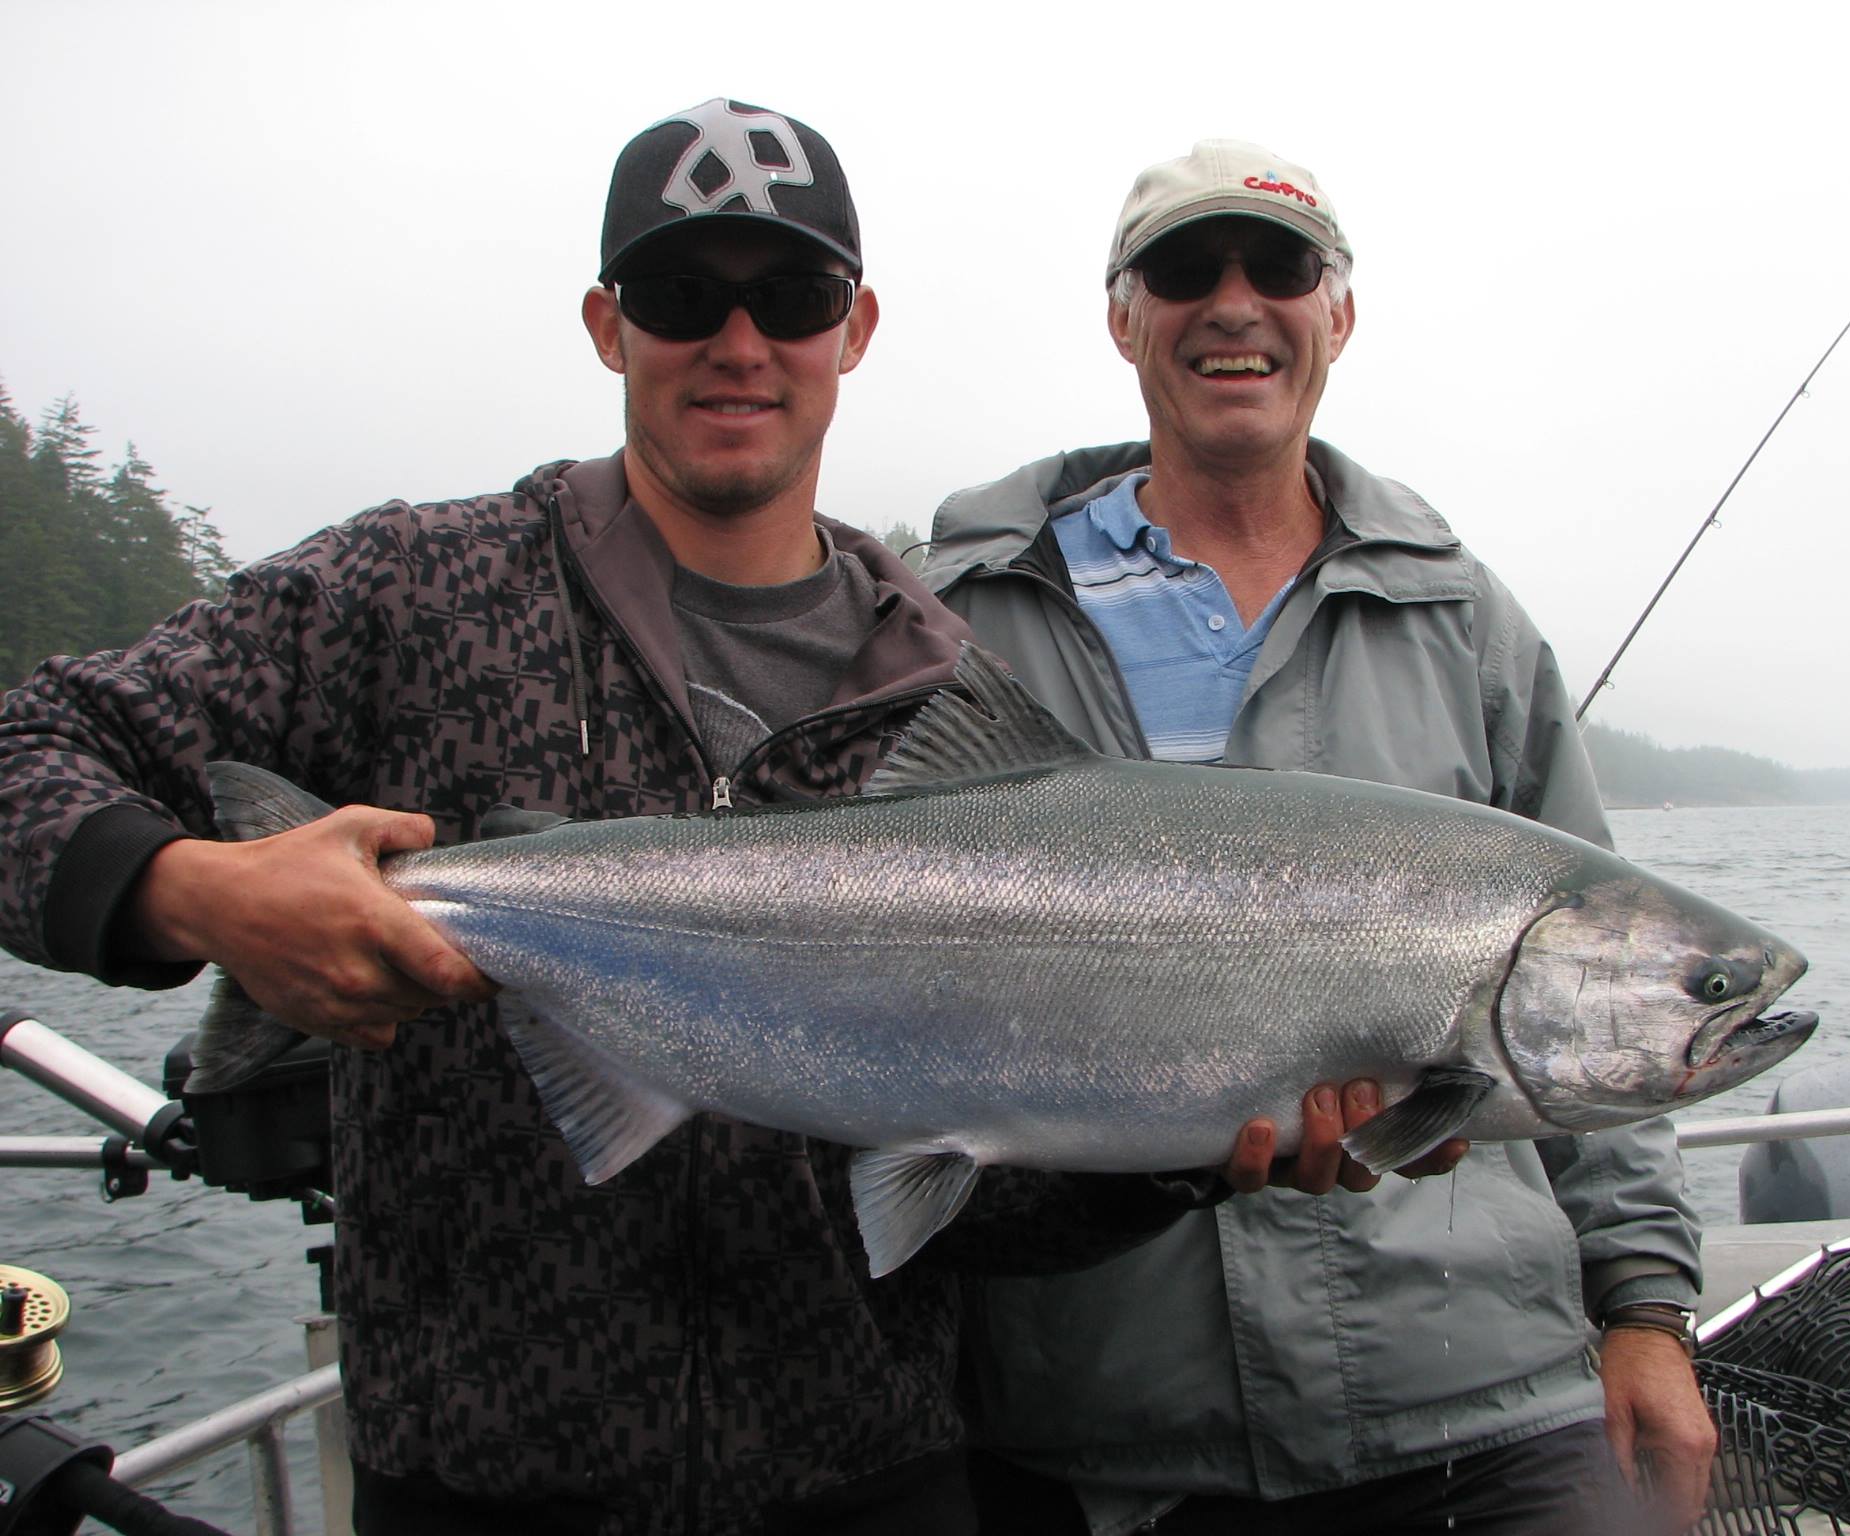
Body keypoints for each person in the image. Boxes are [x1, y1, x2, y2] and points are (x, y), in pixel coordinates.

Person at [0, 103, 1362, 1536]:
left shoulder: (953, 695)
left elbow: (999, 1186)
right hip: (478, 1483)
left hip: (868, 1478)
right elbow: (28, 750)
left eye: (789, 296)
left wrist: (1195, 1142)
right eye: (678, 292)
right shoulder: (408, 594)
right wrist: (192, 894)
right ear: (607, 323)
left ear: (857, 326)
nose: (738, 340)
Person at [923, 139, 1719, 1535]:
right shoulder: (959, 614)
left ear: (1337, 313)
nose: (1235, 303)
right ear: (1123, 316)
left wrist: (1645, 1311)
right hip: (1102, 1423)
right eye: (1184, 269)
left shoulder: (1466, 625)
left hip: (1483, 1395)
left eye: (1281, 266)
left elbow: (1599, 1011)